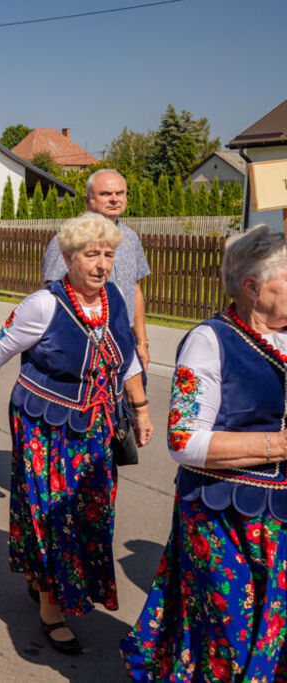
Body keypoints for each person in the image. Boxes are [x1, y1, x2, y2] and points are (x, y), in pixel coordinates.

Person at [0, 211, 153, 654]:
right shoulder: (43, 304)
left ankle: (53, 582)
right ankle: (51, 607)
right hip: (45, 428)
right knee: (51, 514)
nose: (101, 264)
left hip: (97, 428)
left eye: (108, 255)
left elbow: (127, 359)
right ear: (66, 257)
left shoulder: (115, 298)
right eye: (90, 254)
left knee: (90, 514)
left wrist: (140, 409)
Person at [120, 224, 287, 680]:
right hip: (223, 516)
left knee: (274, 639)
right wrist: (279, 445)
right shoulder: (210, 341)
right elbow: (184, 441)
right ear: (252, 288)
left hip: (280, 519)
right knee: (230, 640)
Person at [42, 169, 152, 369]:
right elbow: (52, 295)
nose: (114, 199)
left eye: (120, 193)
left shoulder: (131, 238)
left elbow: (134, 289)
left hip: (125, 342)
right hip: (83, 342)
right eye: (105, 194)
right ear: (87, 200)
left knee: (134, 399)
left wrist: (142, 342)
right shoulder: (68, 240)